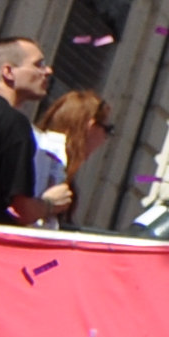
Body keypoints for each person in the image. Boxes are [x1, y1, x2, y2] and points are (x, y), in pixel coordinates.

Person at [0, 40, 56, 230]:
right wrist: (50, 204)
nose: (48, 71)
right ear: (8, 72)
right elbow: (22, 209)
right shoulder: (13, 123)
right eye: (38, 64)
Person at [28, 90, 103, 231]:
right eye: (107, 129)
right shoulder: (41, 156)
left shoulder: (67, 177)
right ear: (91, 126)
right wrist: (48, 205)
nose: (104, 139)